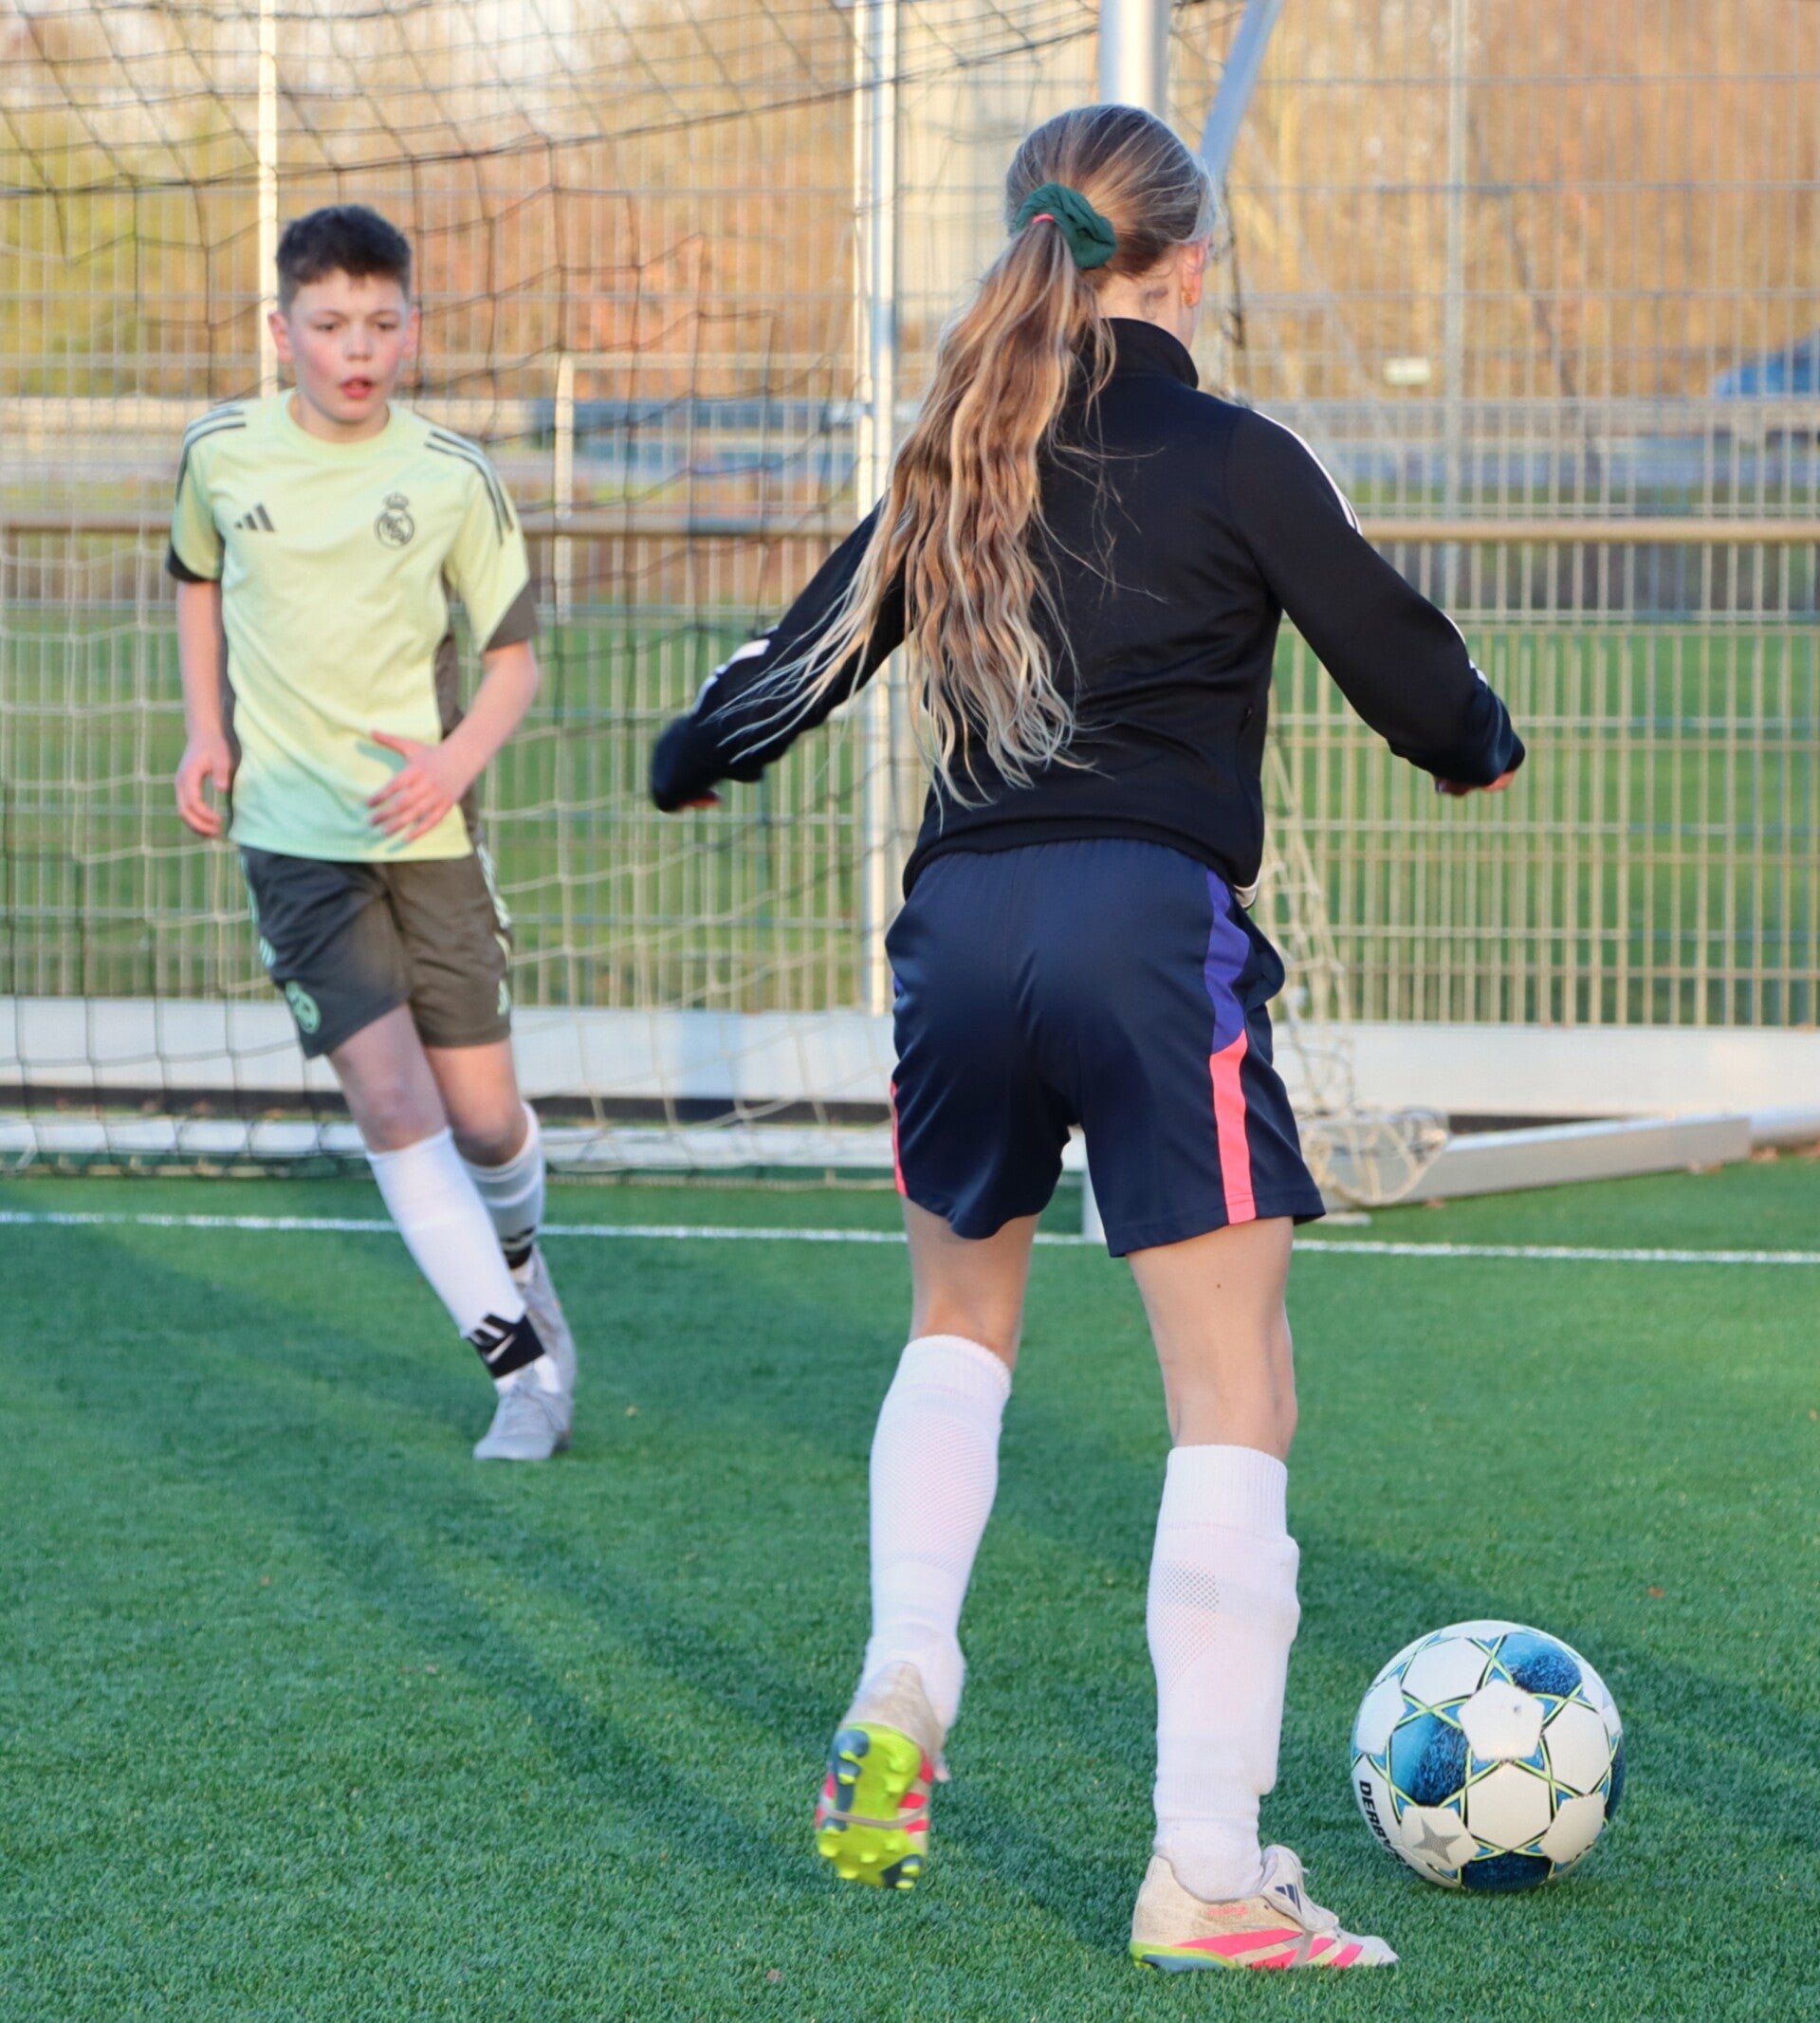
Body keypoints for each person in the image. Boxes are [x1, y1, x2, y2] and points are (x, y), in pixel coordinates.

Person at [651, 104, 1521, 1970]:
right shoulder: (1238, 454)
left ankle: (907, 1666)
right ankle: (1205, 1868)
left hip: (957, 931)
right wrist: (1478, 742)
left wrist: (687, 759)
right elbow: (1410, 667)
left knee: (959, 1324)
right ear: (1191, 263)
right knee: (1233, 1389)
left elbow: (775, 680)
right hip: (1143, 930)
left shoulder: (959, 452)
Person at [170, 204, 578, 1463]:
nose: (357, 348)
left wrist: (453, 762)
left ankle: (523, 1266)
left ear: (413, 330)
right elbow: (196, 579)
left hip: (429, 834)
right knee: (392, 1101)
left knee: (486, 1119)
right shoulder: (221, 454)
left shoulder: (452, 474)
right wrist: (206, 731)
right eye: (330, 323)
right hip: (292, 838)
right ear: (281, 329)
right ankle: (523, 1377)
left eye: (381, 324)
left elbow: (512, 663)